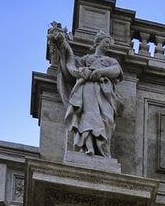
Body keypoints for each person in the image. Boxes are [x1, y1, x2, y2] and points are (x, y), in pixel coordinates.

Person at [47, 24, 123, 158]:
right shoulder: (86, 59)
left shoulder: (110, 60)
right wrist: (64, 47)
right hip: (87, 90)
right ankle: (88, 148)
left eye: (109, 43)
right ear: (98, 42)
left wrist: (100, 72)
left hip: (104, 92)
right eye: (106, 42)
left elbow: (116, 71)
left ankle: (102, 149)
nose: (108, 46)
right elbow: (70, 70)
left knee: (107, 120)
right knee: (88, 117)